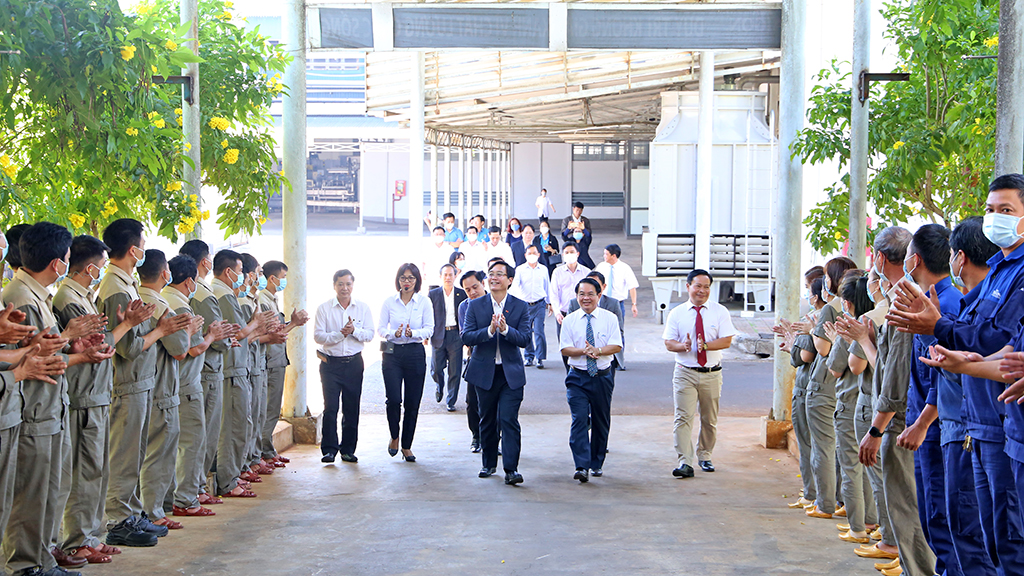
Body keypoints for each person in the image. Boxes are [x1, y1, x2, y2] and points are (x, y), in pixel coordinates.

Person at [886, 175, 1024, 574]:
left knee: (996, 545)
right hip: (975, 426)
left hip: (994, 427)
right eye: (991, 210)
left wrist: (942, 331)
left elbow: (995, 341)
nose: (995, 218)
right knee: (980, 538)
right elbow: (998, 350)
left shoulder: (1016, 275)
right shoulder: (1000, 270)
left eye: (1007, 211)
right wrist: (960, 357)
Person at [3, 221, 116, 575]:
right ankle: (26, 563)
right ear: (57, 263)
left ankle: (43, 555)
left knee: (50, 488)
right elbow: (36, 356)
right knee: (30, 494)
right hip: (34, 406)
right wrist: (70, 345)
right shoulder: (21, 297)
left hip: (50, 404)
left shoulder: (38, 296)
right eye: (67, 258)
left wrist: (73, 347)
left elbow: (45, 349)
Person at [55, 235, 155, 562]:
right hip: (83, 393)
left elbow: (98, 342)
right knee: (85, 472)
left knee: (97, 470)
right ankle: (77, 537)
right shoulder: (71, 297)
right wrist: (129, 324)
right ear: (89, 266)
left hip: (97, 391)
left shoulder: (83, 295)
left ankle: (91, 533)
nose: (102, 270)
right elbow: (110, 345)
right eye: (99, 264)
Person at [97, 219, 185, 545]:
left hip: (140, 383)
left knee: (134, 455)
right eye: (142, 245)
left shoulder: (125, 284)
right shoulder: (116, 288)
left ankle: (131, 512)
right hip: (127, 383)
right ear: (133, 250)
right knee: (124, 457)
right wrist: (161, 331)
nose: (143, 252)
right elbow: (129, 347)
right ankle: (119, 519)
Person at [888, 224, 964, 576]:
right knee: (934, 518)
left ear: (914, 260)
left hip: (935, 429)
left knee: (942, 522)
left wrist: (921, 423)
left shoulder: (944, 304)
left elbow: (943, 372)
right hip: (928, 425)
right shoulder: (929, 299)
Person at [163, 254, 233, 519]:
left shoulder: (172, 300)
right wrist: (212, 336)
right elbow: (187, 350)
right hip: (185, 383)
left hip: (180, 383)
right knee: (192, 442)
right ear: (190, 280)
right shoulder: (179, 306)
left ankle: (186, 494)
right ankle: (185, 498)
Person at [136, 250, 193, 532]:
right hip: (161, 389)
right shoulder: (158, 304)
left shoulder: (142, 297)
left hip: (153, 387)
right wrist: (192, 331)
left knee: (153, 453)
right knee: (158, 454)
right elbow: (181, 349)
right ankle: (153, 511)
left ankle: (153, 508)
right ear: (164, 273)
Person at [662, 269, 737, 478]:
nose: (702, 291)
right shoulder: (676, 313)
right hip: (684, 372)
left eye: (706, 287)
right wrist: (682, 345)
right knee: (683, 417)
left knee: (709, 418)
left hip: (712, 373)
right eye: (698, 286)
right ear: (688, 287)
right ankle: (685, 461)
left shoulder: (719, 311)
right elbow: (669, 343)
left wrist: (706, 345)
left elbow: (726, 340)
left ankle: (705, 455)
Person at [462, 260, 531, 485]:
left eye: (500, 274)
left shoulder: (520, 306)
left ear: (509, 280)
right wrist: (490, 331)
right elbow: (467, 336)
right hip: (484, 372)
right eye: (491, 274)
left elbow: (525, 339)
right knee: (487, 419)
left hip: (510, 373)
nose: (494, 278)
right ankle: (488, 463)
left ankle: (511, 469)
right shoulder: (476, 305)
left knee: (508, 419)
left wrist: (506, 330)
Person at [212, 250, 273, 498]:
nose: (247, 278)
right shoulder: (224, 294)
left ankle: (234, 474)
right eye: (243, 272)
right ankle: (228, 480)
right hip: (232, 368)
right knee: (234, 427)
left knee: (242, 423)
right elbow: (238, 333)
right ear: (230, 272)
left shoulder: (227, 293)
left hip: (238, 366)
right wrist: (256, 325)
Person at [803, 256, 857, 518]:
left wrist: (813, 331)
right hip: (845, 386)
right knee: (841, 449)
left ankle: (825, 503)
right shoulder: (855, 306)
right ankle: (844, 502)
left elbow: (822, 349)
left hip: (825, 383)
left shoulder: (831, 308)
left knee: (823, 447)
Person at [178, 240, 230, 506]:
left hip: (202, 371)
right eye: (208, 258)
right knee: (201, 436)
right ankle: (195, 487)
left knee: (200, 436)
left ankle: (196, 486)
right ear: (203, 262)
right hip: (206, 371)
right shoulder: (199, 294)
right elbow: (218, 335)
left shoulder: (195, 292)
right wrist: (220, 337)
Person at [559, 277, 622, 483]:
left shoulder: (609, 317)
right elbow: (565, 349)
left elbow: (617, 345)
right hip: (577, 377)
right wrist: (584, 352)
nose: (586, 298)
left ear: (599, 296)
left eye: (590, 294)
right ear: (576, 296)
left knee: (600, 420)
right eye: (581, 294)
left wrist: (599, 351)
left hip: (602, 376)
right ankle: (581, 465)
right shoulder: (569, 319)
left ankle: (596, 462)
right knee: (578, 419)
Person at [314, 269, 374, 463]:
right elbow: (318, 336)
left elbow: (370, 334)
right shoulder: (324, 308)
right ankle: (329, 449)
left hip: (354, 364)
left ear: (353, 285)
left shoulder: (362, 308)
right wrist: (340, 334)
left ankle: (348, 450)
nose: (344, 288)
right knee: (330, 408)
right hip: (330, 365)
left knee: (351, 408)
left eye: (348, 284)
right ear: (334, 286)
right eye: (340, 284)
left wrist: (354, 331)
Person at [776, 266, 823, 510]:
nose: (807, 294)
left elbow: (804, 355)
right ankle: (815, 493)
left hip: (811, 387)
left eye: (808, 288)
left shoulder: (818, 317)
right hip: (809, 385)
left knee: (810, 445)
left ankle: (814, 494)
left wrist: (793, 343)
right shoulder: (814, 318)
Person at [378, 264, 433, 462]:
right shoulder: (389, 302)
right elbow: (381, 328)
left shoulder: (424, 302)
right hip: (392, 354)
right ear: (398, 280)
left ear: (417, 281)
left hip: (415, 353)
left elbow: (429, 329)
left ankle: (407, 446)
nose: (406, 282)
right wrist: (394, 333)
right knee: (393, 399)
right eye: (403, 278)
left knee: (412, 402)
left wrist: (413, 334)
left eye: (411, 278)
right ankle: (394, 435)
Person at [258, 261, 307, 468]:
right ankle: (261, 453)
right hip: (269, 360)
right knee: (268, 410)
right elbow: (271, 335)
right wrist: (294, 323)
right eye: (283, 276)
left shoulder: (271, 298)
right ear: (272, 278)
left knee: (271, 409)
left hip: (276, 359)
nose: (284, 281)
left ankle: (267, 451)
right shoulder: (263, 300)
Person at [428, 265, 467, 412]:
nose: (448, 277)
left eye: (451, 275)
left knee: (455, 370)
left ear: (455, 276)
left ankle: (451, 400)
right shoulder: (433, 294)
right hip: (438, 334)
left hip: (455, 334)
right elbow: (429, 316)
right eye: (445, 275)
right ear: (441, 276)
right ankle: (439, 384)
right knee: (436, 368)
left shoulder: (461, 294)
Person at [594, 244, 639, 370]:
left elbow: (632, 287)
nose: (604, 256)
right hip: (602, 302)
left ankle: (619, 361)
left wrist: (634, 304)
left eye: (606, 254)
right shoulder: (601, 266)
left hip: (617, 304)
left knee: (618, 331)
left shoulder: (624, 268)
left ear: (614, 256)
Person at [549, 243, 592, 370]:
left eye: (572, 252)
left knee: (582, 341)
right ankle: (569, 371)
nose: (569, 255)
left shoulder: (586, 272)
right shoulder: (557, 272)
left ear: (577, 254)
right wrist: (557, 312)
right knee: (565, 345)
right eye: (566, 252)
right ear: (562, 255)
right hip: (563, 313)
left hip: (582, 313)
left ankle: (582, 369)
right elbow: (554, 294)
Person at [459, 271, 487, 453]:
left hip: (496, 358)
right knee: (472, 401)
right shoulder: (464, 307)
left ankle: (492, 438)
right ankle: (476, 436)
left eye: (475, 287)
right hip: (475, 357)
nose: (472, 292)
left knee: (495, 403)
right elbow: (466, 336)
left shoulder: (494, 302)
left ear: (483, 283)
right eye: (468, 290)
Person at [511, 244, 550, 369]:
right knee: (526, 331)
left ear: (538, 255)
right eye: (529, 253)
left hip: (539, 304)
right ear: (525, 255)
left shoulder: (543, 269)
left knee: (539, 331)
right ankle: (529, 356)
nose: (532, 255)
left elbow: (547, 285)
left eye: (534, 253)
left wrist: (550, 302)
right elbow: (515, 285)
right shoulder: (520, 269)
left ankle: (540, 358)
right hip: (525, 305)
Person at [561, 202, 595, 269]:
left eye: (580, 210)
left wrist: (583, 228)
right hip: (571, 240)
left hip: (583, 242)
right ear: (573, 209)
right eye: (577, 210)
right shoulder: (566, 220)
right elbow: (563, 234)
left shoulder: (585, 220)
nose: (578, 212)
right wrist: (569, 228)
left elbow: (589, 234)